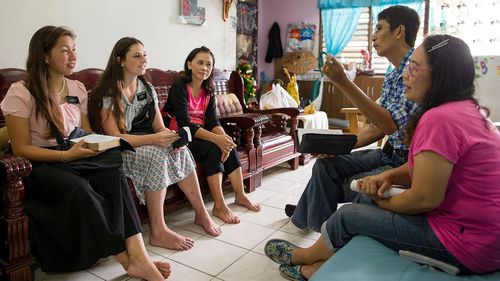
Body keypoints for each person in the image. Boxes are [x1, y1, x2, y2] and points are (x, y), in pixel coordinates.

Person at [265, 34, 500, 280]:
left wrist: (382, 202)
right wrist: (390, 175)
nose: (405, 75)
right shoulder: (464, 111)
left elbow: (423, 198)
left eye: (414, 68)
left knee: (350, 213)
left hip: (467, 244)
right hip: (480, 237)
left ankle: (306, 259)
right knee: (336, 174)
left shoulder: (440, 119)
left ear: (440, 75)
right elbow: (426, 166)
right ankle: (318, 255)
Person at [0, 26, 169, 280]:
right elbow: (22, 148)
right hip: (39, 163)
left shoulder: (76, 89)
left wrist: (102, 145)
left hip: (73, 153)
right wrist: (66, 156)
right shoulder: (21, 92)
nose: (73, 56)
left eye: (74, 49)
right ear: (44, 56)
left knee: (114, 174)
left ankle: (140, 255)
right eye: (64, 50)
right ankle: (127, 261)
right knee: (80, 189)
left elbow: (86, 133)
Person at [285, 5, 421, 232]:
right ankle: (312, 226)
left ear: (399, 32)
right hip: (389, 153)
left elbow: (389, 124)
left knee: (349, 185)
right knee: (324, 165)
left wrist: (343, 82)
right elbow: (377, 127)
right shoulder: (392, 74)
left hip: (407, 162)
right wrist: (338, 147)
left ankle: (316, 234)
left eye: (379, 28)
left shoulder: (415, 71)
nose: (373, 35)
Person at [88, 37, 221, 251]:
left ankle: (201, 214)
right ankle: (158, 231)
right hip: (119, 149)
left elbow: (159, 126)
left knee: (181, 150)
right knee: (155, 155)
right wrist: (154, 140)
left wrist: (172, 137)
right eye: (137, 55)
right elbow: (115, 137)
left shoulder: (146, 87)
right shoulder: (108, 92)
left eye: (145, 55)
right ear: (121, 60)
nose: (144, 60)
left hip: (145, 141)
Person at [164, 46, 261, 224]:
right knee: (214, 147)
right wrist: (217, 139)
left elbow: (213, 121)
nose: (204, 67)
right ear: (189, 64)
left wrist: (224, 139)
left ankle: (240, 195)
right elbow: (185, 123)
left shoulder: (209, 91)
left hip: (199, 134)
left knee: (227, 144)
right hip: (180, 136)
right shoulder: (180, 87)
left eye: (209, 64)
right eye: (200, 62)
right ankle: (219, 205)